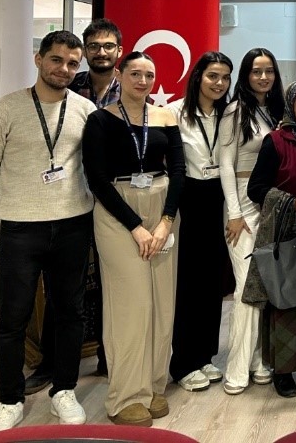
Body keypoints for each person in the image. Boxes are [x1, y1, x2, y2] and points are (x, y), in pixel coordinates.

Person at [0, 31, 97, 434]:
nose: (64, 69)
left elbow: (91, 165)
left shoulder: (84, 109)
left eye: (73, 63)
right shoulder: (4, 110)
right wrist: (16, 201)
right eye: (56, 60)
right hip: (20, 228)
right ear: (38, 59)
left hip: (73, 224)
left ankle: (64, 390)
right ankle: (9, 401)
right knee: (13, 317)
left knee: (70, 312)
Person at [82, 51, 185, 427]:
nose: (143, 81)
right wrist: (136, 227)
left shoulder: (165, 117)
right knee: (131, 305)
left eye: (149, 75)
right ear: (120, 75)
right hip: (118, 211)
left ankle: (153, 386)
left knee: (161, 304)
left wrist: (165, 221)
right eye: (136, 74)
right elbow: (96, 179)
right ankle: (126, 395)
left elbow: (178, 169)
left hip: (161, 207)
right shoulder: (100, 120)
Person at [27, 18, 120, 394]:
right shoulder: (67, 86)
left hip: (113, 199)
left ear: (118, 50)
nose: (101, 52)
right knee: (64, 287)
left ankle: (110, 357)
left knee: (113, 281)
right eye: (94, 46)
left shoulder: (131, 87)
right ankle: (50, 363)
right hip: (70, 199)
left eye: (108, 46)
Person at [246, 79, 296, 398]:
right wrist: (293, 203)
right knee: (289, 301)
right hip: (288, 234)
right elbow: (255, 189)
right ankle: (284, 371)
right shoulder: (276, 141)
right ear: (291, 105)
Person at [166, 52, 233, 392]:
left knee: (213, 282)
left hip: (220, 197)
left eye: (225, 77)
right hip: (189, 199)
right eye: (212, 76)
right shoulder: (174, 112)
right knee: (189, 283)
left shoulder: (229, 114)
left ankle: (205, 355)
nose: (219, 83)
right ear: (198, 77)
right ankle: (183, 363)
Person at [219, 47, 283, 394]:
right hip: (242, 206)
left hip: (269, 203)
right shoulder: (235, 110)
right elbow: (226, 165)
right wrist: (234, 212)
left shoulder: (274, 110)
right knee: (246, 287)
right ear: (245, 75)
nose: (263, 77)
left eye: (268, 71)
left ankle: (260, 359)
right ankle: (237, 368)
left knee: (265, 285)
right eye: (256, 71)